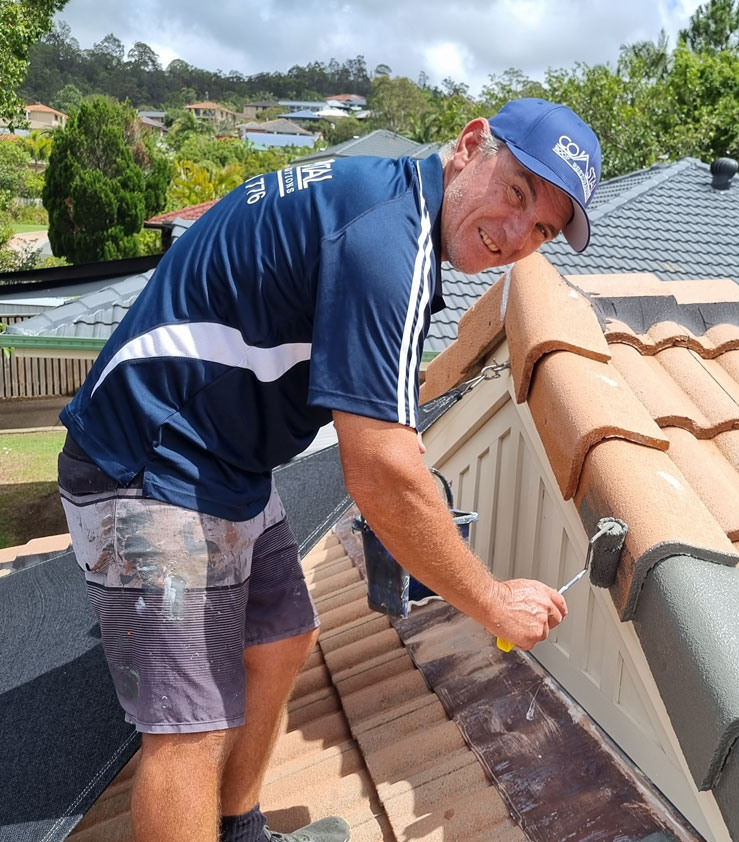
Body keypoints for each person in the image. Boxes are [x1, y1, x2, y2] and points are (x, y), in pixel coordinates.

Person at [57, 98, 602, 842]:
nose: (515, 235)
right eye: (516, 193)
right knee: (191, 723)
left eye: (541, 228)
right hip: (149, 459)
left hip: (225, 461)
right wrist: (493, 601)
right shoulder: (390, 242)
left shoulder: (389, 199)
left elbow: (384, 420)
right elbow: (379, 470)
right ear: (473, 145)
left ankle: (240, 829)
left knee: (283, 634)